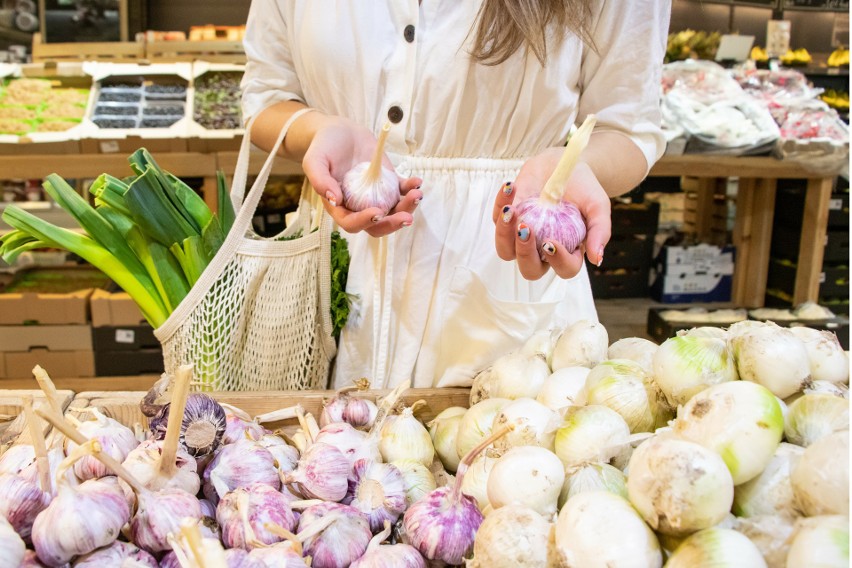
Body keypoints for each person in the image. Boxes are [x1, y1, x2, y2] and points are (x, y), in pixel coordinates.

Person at [241, 1, 670, 389]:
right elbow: (265, 98)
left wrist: (572, 168)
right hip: (332, 269)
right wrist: (319, 129)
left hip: (503, 258)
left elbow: (629, 128)